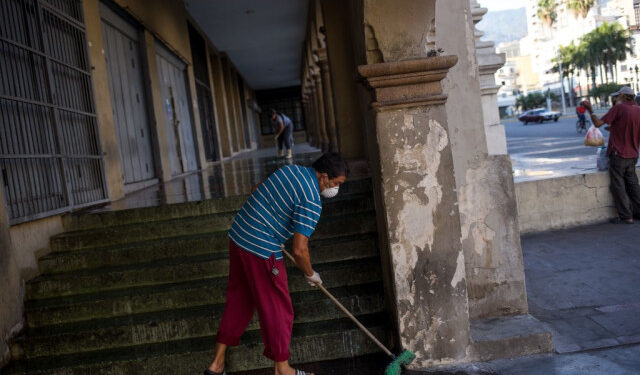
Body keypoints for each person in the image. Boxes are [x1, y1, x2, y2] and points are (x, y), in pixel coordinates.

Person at [205, 153, 349, 375]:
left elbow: (256, 190)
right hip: (261, 249)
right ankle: (283, 370)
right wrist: (310, 274)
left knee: (239, 301)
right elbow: (299, 250)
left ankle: (216, 365)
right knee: (279, 309)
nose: (335, 189)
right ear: (323, 176)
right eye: (336, 183)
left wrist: (273, 221)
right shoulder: (312, 199)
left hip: (239, 235)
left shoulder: (290, 170)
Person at [584, 86, 640, 224]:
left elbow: (597, 123)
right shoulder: (638, 110)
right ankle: (638, 212)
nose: (616, 98)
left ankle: (626, 216)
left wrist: (590, 110)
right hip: (633, 154)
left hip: (618, 154)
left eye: (618, 96)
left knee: (618, 185)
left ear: (624, 96)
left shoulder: (619, 109)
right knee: (633, 185)